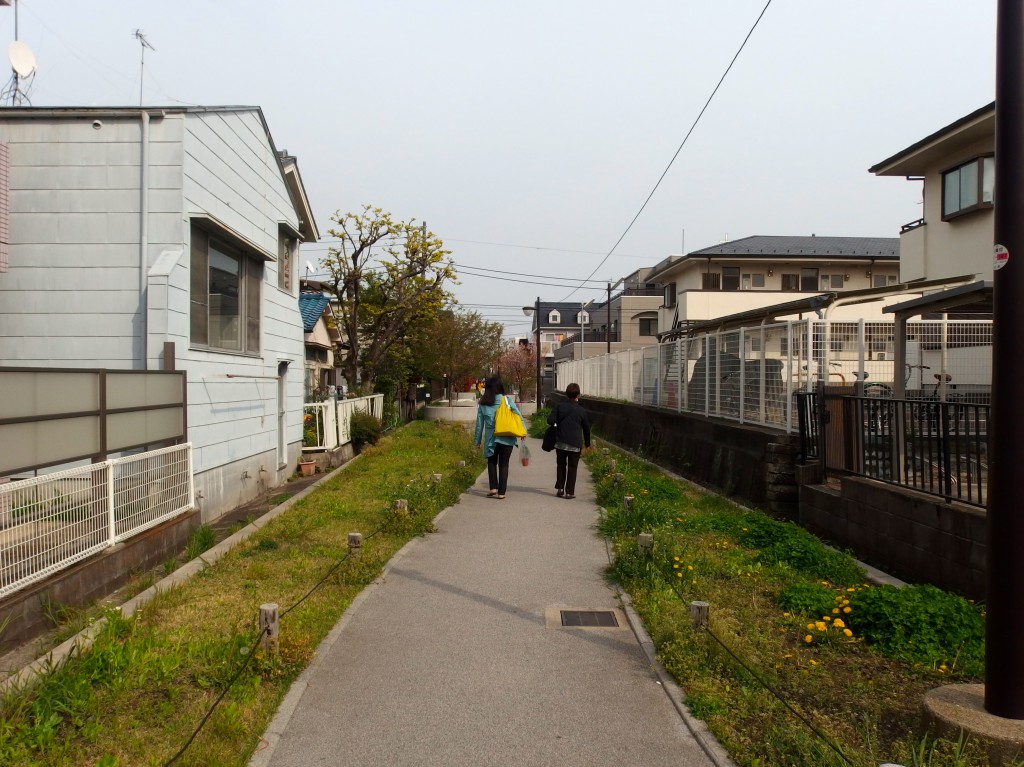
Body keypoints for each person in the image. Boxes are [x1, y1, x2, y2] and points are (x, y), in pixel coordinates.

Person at [474, 376, 524, 499]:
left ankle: (493, 488)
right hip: (506, 436)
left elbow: (479, 425)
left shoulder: (483, 403)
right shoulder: (506, 400)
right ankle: (501, 493)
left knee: (491, 462)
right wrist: (522, 432)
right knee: (504, 464)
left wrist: (478, 441)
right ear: (500, 386)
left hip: (491, 438)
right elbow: (518, 415)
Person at [547, 382, 591, 499]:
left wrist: (556, 425)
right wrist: (587, 444)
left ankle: (560, 488)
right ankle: (569, 492)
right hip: (575, 444)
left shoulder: (559, 406)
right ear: (578, 395)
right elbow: (586, 429)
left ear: (566, 394)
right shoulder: (581, 410)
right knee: (572, 467)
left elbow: (550, 420)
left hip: (560, 441)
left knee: (561, 465)